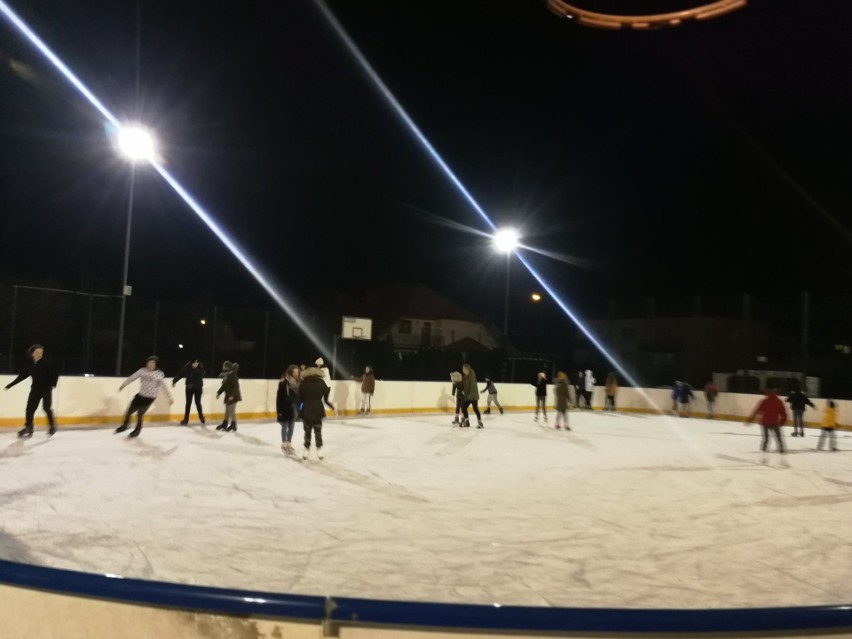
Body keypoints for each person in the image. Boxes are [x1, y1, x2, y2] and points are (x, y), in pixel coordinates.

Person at [4, 344, 59, 438]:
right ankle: (29, 427)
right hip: (35, 389)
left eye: (41, 352)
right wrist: (10, 385)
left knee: (46, 408)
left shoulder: (46, 363)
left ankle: (52, 426)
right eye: (37, 352)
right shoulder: (29, 363)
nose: (39, 354)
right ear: (32, 353)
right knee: (29, 409)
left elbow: (55, 373)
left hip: (46, 389)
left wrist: (53, 384)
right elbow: (23, 376)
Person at [116, 355, 173, 438]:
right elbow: (132, 377)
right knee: (129, 411)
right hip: (140, 395)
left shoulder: (159, 374)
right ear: (146, 363)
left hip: (150, 398)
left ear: (155, 364)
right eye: (149, 362)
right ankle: (125, 426)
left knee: (140, 413)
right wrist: (123, 385)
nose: (150, 364)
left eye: (153, 363)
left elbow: (165, 386)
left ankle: (137, 430)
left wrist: (169, 397)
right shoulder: (142, 370)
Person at [298, 364, 335, 460]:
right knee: (318, 430)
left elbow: (300, 399)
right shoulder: (321, 382)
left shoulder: (303, 383)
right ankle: (319, 450)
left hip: (306, 409)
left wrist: (300, 410)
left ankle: (306, 449)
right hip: (318, 408)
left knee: (307, 431)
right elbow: (326, 392)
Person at [745, 388, 787, 461]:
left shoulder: (765, 401)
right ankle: (783, 457)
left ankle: (763, 456)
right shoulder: (779, 401)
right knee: (779, 439)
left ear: (768, 394)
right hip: (775, 423)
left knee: (766, 439)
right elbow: (783, 413)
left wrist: (750, 420)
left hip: (765, 423)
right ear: (776, 393)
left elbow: (757, 411)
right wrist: (782, 422)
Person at [172, 358, 206, 425]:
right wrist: (174, 381)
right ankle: (186, 419)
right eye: (194, 363)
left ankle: (201, 417)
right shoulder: (187, 367)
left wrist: (193, 384)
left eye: (197, 363)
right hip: (189, 388)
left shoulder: (201, 368)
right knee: (188, 403)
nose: (196, 364)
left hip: (198, 388)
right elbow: (181, 374)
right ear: (191, 363)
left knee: (198, 403)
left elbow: (200, 376)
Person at [277, 365, 300, 454]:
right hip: (284, 407)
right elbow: (279, 398)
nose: (296, 374)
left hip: (294, 407)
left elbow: (300, 397)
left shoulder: (299, 383)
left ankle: (289, 444)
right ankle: (284, 444)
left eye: (297, 372)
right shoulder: (283, 382)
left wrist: (300, 407)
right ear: (290, 372)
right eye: (294, 372)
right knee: (285, 425)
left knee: (292, 426)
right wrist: (279, 410)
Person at [215, 361, 241, 432]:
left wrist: (232, 395)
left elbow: (236, 387)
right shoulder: (227, 374)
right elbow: (224, 386)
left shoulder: (233, 375)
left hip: (233, 396)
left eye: (224, 365)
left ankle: (233, 425)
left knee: (231, 411)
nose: (222, 367)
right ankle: (225, 423)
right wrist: (218, 393)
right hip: (229, 395)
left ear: (227, 367)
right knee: (227, 410)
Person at [461, 363, 483, 428]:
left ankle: (480, 423)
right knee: (464, 407)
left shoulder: (472, 376)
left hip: (473, 396)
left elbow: (473, 387)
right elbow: (464, 386)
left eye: (463, 369)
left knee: (475, 409)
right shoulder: (466, 377)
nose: (462, 370)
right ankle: (467, 422)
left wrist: (470, 397)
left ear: (466, 369)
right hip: (469, 396)